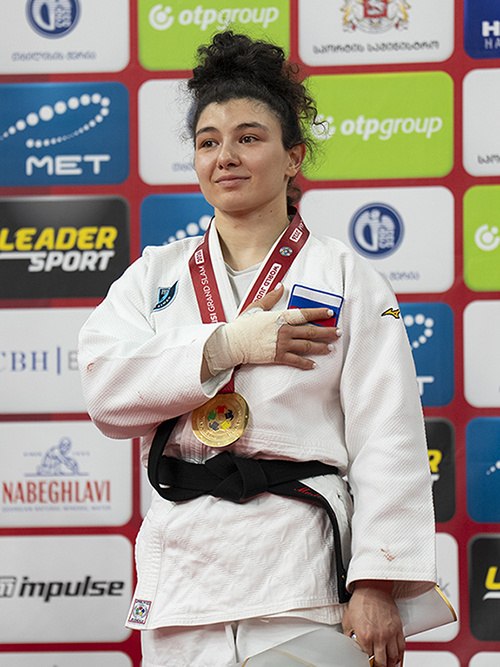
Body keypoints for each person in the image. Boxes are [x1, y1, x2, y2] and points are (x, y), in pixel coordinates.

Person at [78, 31, 436, 667]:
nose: (226, 157)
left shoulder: (347, 277)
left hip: (299, 572)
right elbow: (106, 393)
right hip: (185, 575)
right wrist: (225, 345)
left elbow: (390, 435)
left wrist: (377, 581)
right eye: (208, 142)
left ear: (294, 157)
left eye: (249, 138)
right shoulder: (154, 276)